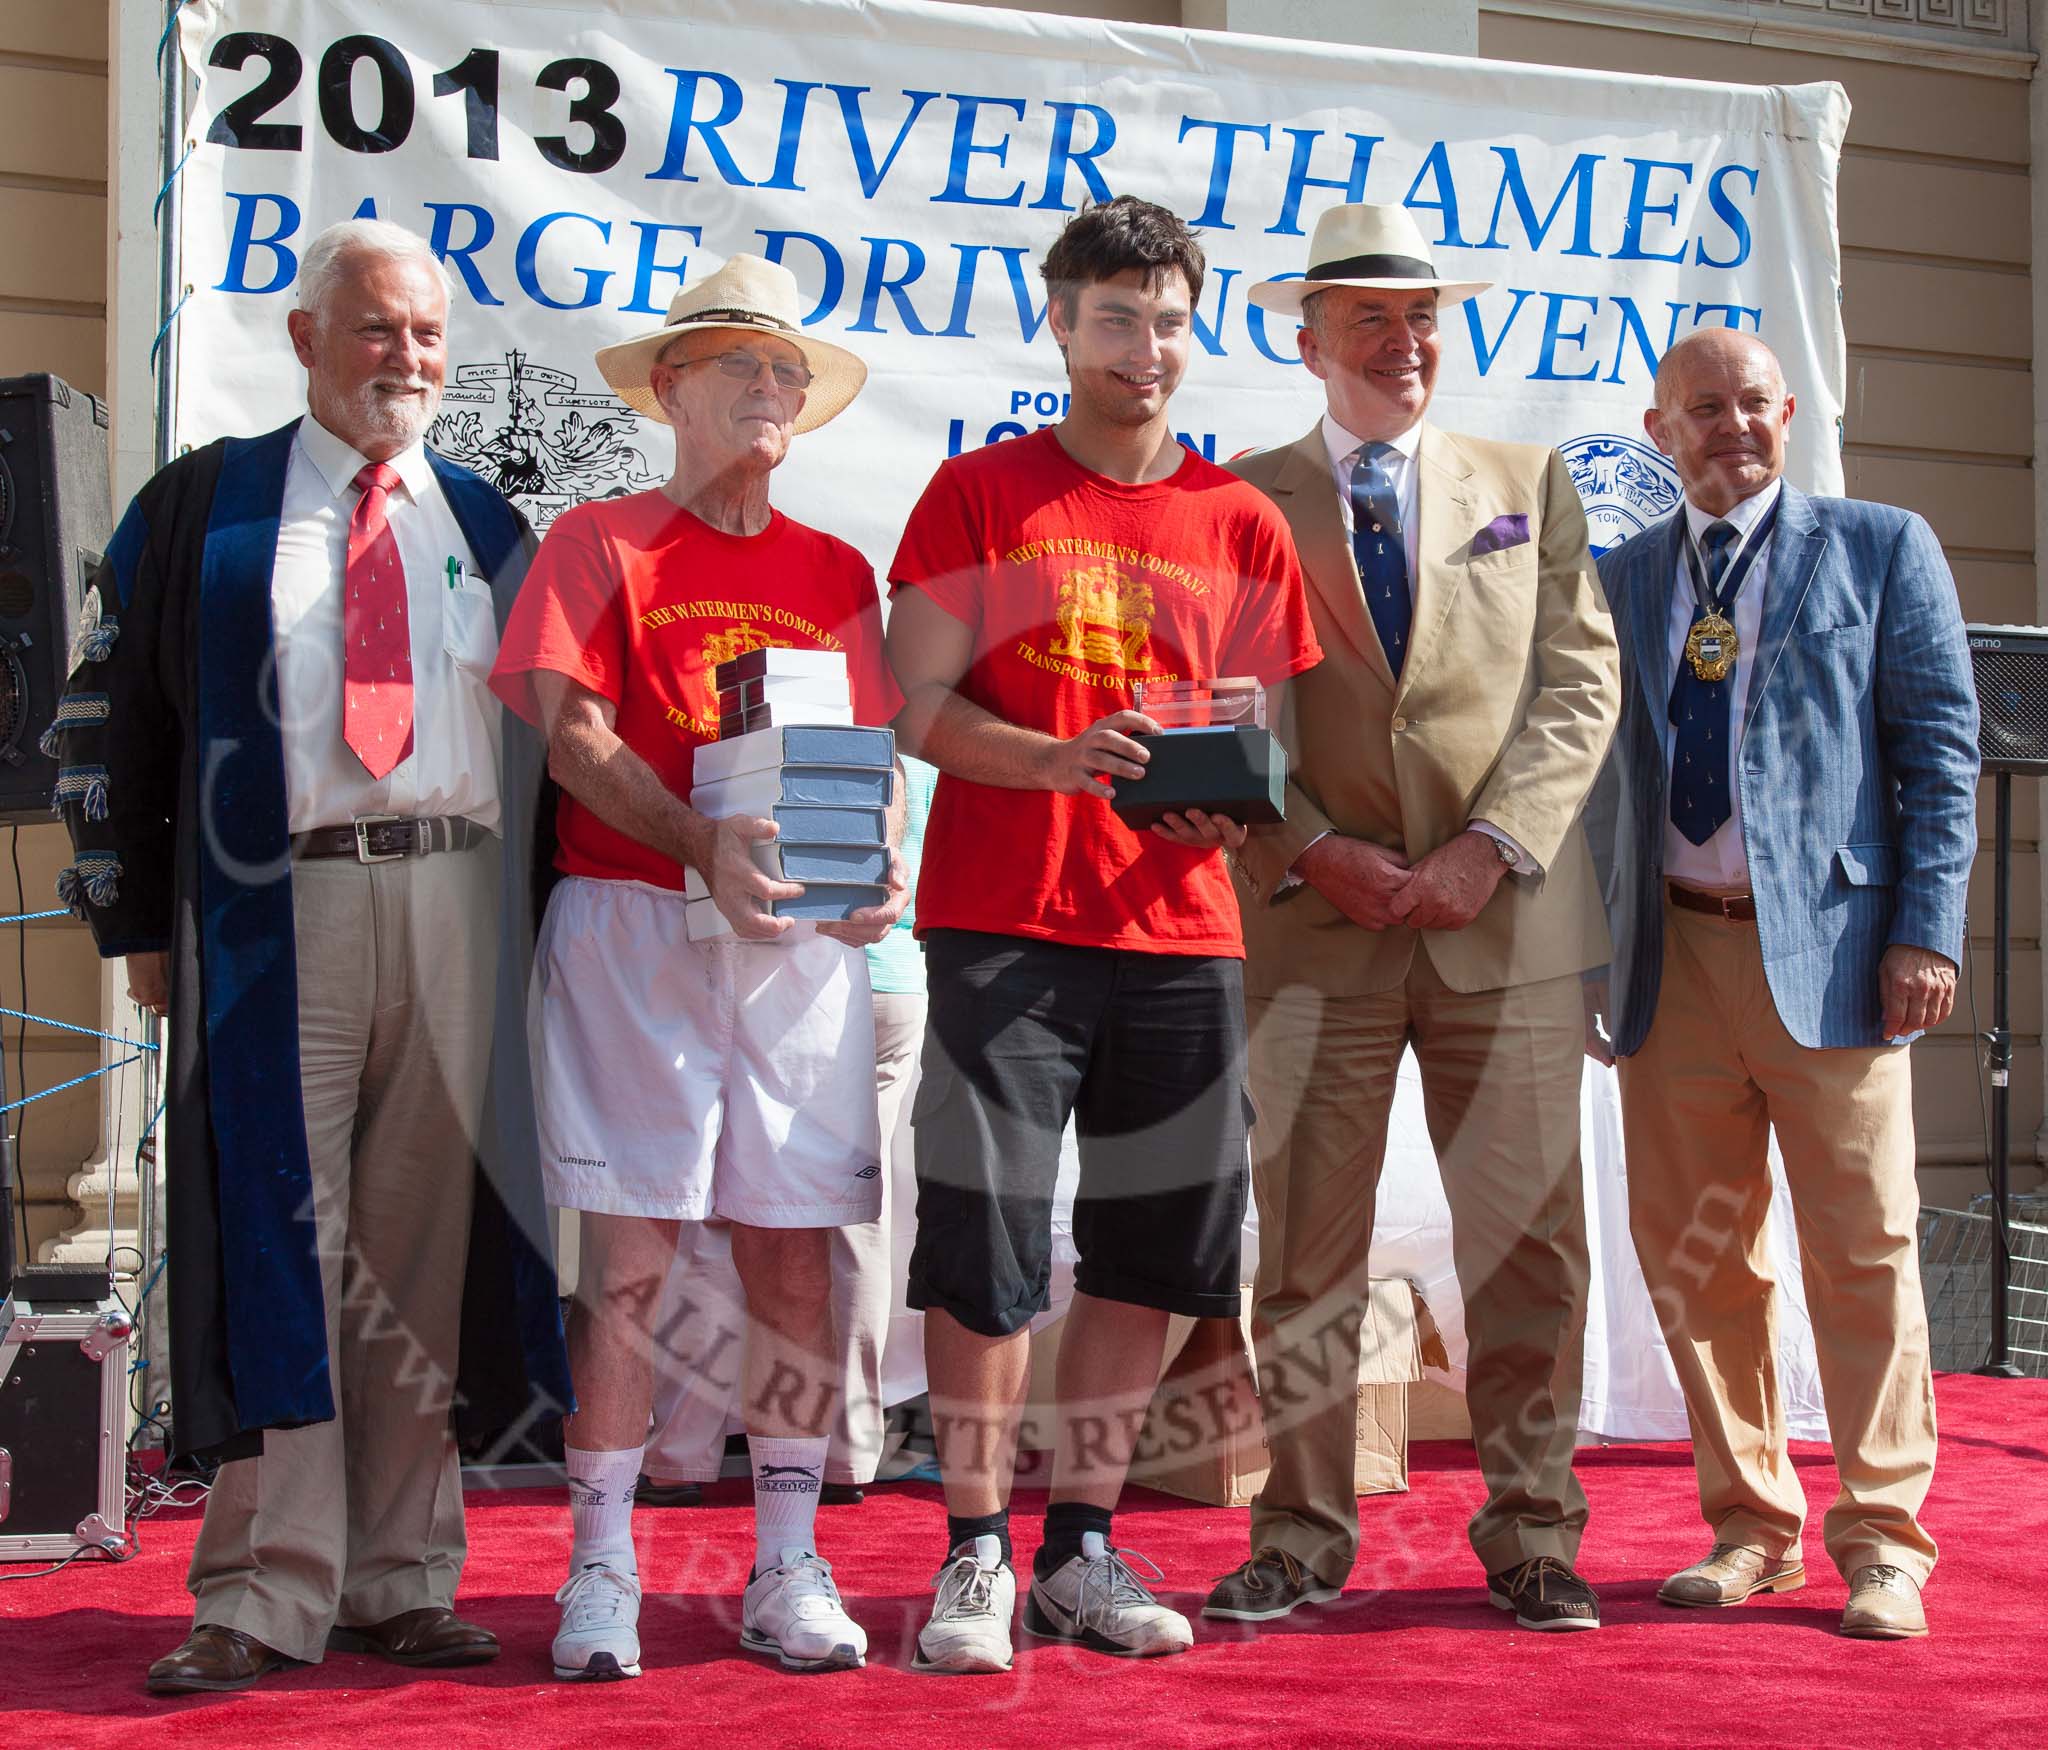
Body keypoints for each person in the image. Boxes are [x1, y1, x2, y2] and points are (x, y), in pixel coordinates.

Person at [52, 218, 570, 1694]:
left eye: (424, 335)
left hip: (459, 908)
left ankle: (401, 1574)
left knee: (417, 1260)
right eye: (374, 329)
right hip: (282, 914)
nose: (404, 358)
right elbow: (113, 725)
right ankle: (264, 1585)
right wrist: (139, 924)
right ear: (304, 340)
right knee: (281, 1239)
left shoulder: (484, 520)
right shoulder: (204, 509)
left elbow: (550, 741)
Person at [886, 196, 1322, 1674]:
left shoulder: (1242, 522)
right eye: (1116, 315)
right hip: (1005, 921)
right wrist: (1060, 757)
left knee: (1150, 1250)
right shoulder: (977, 496)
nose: (1146, 345)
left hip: (1182, 932)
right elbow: (918, 707)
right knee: (987, 1243)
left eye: (1170, 318)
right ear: (1060, 322)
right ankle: (968, 1554)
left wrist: (1231, 809)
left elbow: (1258, 737)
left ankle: (1079, 1544)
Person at [489, 256, 907, 1681]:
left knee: (798, 1245)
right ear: (671, 387)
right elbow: (574, 737)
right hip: (631, 924)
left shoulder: (837, 569)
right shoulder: (598, 541)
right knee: (633, 1252)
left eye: (787, 372)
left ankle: (787, 1560)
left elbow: (867, 759)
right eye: (742, 366)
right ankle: (599, 1564)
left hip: (797, 950)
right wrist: (697, 849)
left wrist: (872, 867)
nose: (770, 392)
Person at [1204, 202, 1620, 1633]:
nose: (1406, 340)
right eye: (1371, 318)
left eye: (1425, 313)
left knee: (1527, 1246)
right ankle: (1303, 1533)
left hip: (1502, 929)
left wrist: (1488, 849)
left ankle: (1534, 1535)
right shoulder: (1241, 501)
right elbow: (1223, 717)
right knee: (1307, 1254)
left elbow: (1579, 685)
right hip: (1317, 933)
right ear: (1306, 337)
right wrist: (1310, 850)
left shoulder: (1529, 478)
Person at [1587, 327, 1978, 1640]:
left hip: (1841, 961)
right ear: (1662, 430)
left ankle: (1884, 1542)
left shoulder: (1880, 544)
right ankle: (1751, 1527)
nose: (1731, 427)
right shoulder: (1627, 575)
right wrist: (1592, 948)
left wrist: (1925, 931)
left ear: (1790, 411)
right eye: (1703, 409)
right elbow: (1596, 774)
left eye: (1753, 403)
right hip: (1674, 960)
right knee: (1701, 1263)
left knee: (1863, 1246)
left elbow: (1939, 750)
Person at [639, 757, 939, 1505]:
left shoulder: (810, 732)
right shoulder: (924, 728)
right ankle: (850, 1449)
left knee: (712, 1208)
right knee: (852, 1220)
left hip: (802, 967)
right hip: (895, 974)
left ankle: (681, 1452)